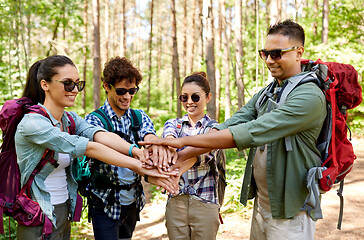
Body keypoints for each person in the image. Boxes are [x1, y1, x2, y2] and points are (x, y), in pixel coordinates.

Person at [141, 19, 326, 240]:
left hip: (290, 210)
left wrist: (182, 144)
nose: (268, 60)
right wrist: (185, 154)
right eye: (264, 53)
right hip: (263, 205)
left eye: (276, 54)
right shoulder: (269, 91)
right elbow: (236, 121)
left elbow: (254, 130)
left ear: (298, 52)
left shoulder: (309, 96)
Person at [15, 55, 176, 240]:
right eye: (68, 84)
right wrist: (137, 165)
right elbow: (89, 147)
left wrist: (137, 151)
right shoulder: (33, 123)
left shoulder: (69, 119)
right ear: (45, 85)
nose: (75, 90)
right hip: (37, 213)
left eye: (78, 84)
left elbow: (100, 135)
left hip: (63, 210)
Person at [84, 56, 177, 240]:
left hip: (132, 202)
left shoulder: (138, 116)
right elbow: (101, 145)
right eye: (121, 91)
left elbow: (148, 134)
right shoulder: (94, 120)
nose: (127, 96)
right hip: (104, 202)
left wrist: (153, 144)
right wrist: (136, 152)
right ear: (106, 86)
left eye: (132, 90)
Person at [149, 72, 221, 240]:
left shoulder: (215, 129)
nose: (189, 102)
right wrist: (170, 145)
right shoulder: (173, 124)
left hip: (206, 200)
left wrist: (177, 161)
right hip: (176, 202)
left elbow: (206, 151)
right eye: (184, 97)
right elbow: (169, 138)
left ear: (208, 97)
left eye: (195, 97)